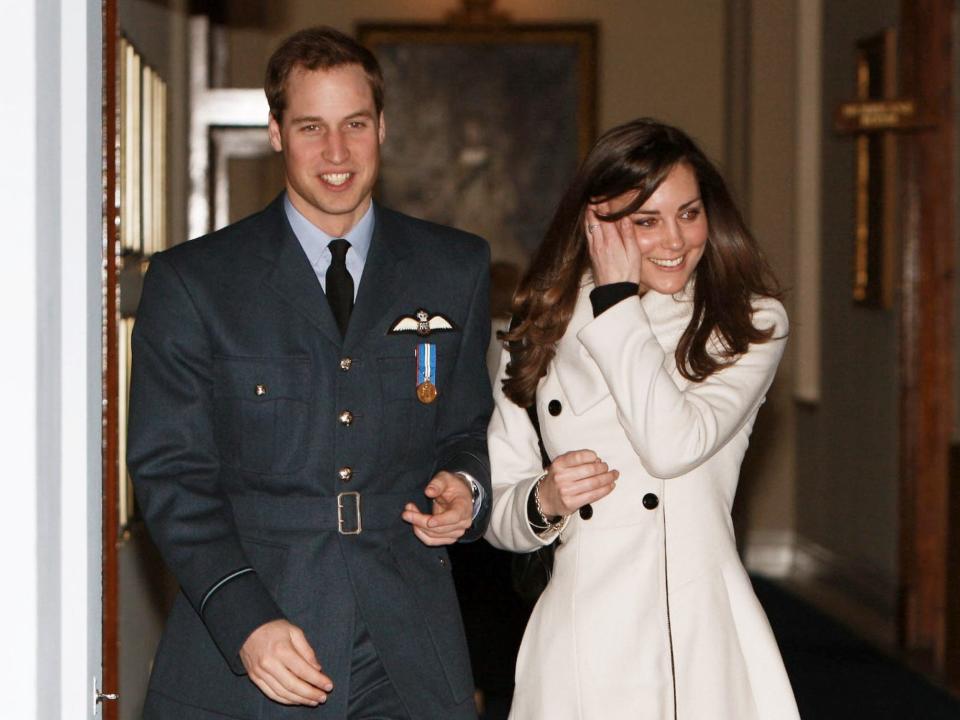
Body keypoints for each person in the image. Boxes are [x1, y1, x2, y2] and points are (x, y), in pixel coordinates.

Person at [127, 26, 492, 720]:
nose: (336, 153)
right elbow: (171, 475)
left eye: (355, 124)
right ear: (275, 133)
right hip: (256, 643)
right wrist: (244, 620)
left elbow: (466, 428)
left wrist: (466, 487)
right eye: (311, 127)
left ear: (382, 126)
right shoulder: (195, 282)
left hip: (407, 644)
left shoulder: (454, 268)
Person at [484, 118, 800, 719]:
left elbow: (671, 444)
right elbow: (499, 507)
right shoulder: (536, 331)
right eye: (646, 221)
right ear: (598, 224)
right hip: (582, 633)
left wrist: (614, 302)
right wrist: (542, 500)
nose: (675, 241)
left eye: (689, 213)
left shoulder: (748, 325)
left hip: (697, 631)